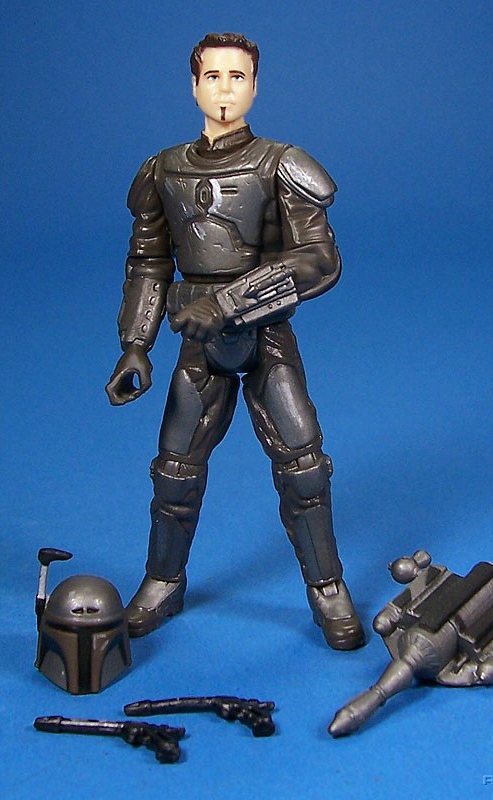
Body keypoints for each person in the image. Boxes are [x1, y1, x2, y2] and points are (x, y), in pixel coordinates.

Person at [106, 32, 364, 650]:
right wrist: (136, 343)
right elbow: (148, 261)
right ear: (194, 86)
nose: (225, 89)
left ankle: (327, 586)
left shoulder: (280, 164)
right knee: (174, 471)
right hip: (196, 344)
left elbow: (318, 260)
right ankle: (162, 581)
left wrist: (227, 304)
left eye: (238, 76)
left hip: (263, 333)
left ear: (255, 87)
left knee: (304, 466)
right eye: (213, 76)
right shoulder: (162, 170)